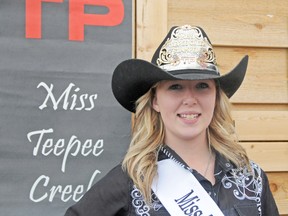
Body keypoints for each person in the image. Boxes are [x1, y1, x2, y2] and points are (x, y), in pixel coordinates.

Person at [64, 25, 279, 216]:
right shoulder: (134, 181)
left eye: (202, 86)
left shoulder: (251, 178)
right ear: (155, 100)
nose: (190, 100)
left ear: (216, 97)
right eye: (175, 87)